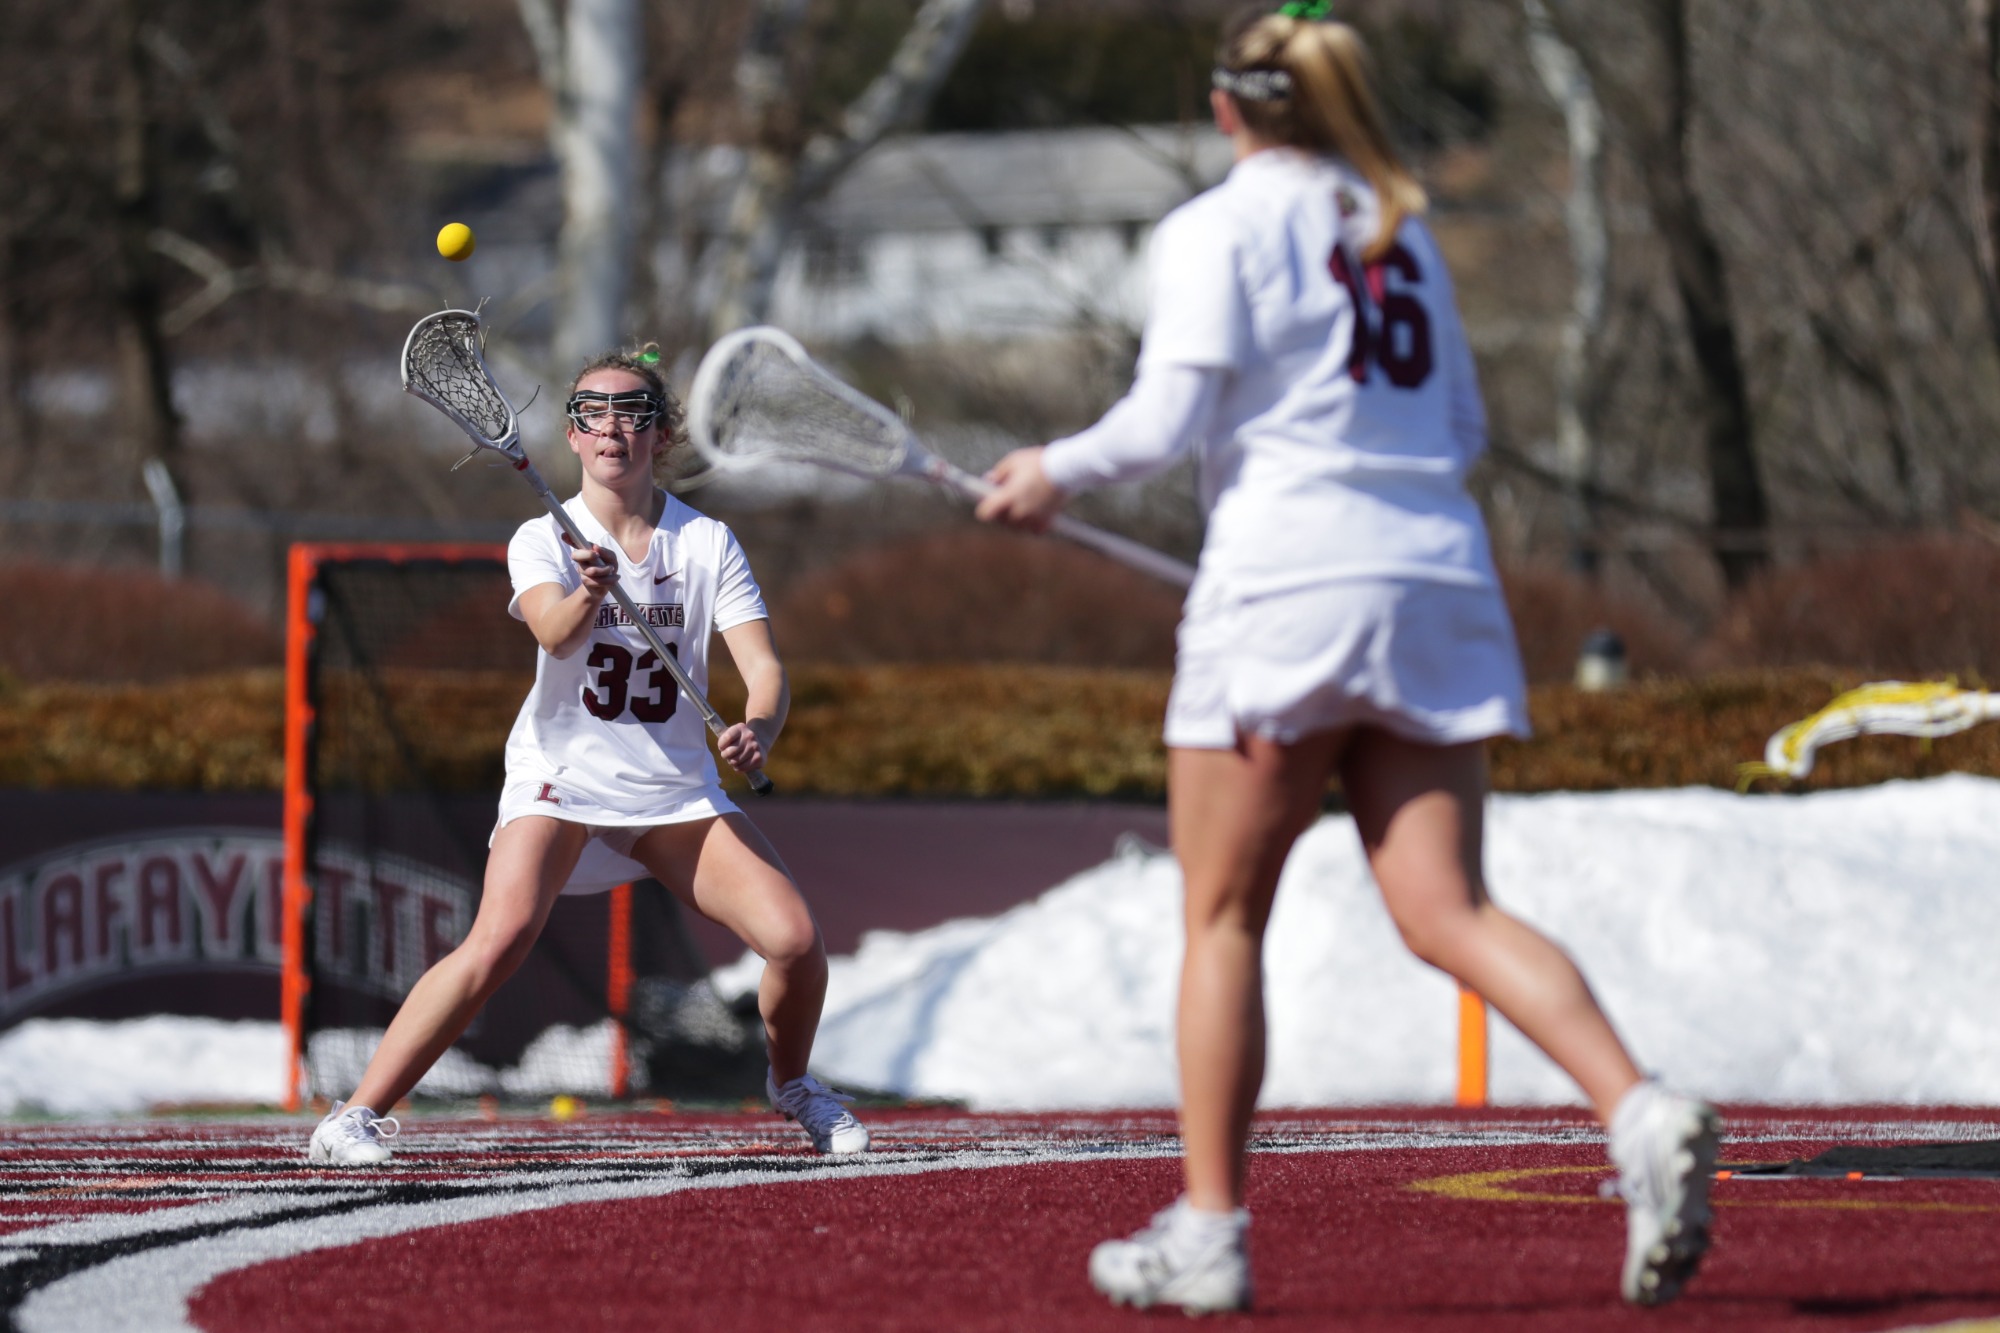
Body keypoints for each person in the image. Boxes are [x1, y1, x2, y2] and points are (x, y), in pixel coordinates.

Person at [977, 5, 1718, 1315]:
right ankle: (1637, 1105)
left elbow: (1161, 419)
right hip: (1435, 574)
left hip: (1284, 586)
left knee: (1220, 914)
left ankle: (1210, 1231)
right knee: (1450, 911)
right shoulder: (1403, 227)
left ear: (1226, 109)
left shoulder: (1216, 227)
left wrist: (1053, 472)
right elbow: (1466, 423)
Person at [309, 345, 867, 1164]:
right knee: (497, 941)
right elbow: (554, 632)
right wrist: (591, 590)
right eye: (592, 412)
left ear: (662, 434)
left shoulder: (707, 542)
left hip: (672, 790)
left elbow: (765, 667)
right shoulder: (541, 539)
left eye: (633, 412)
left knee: (793, 940)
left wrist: (760, 725)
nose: (613, 427)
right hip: (558, 778)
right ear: (572, 436)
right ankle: (353, 1117)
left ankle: (793, 1086)